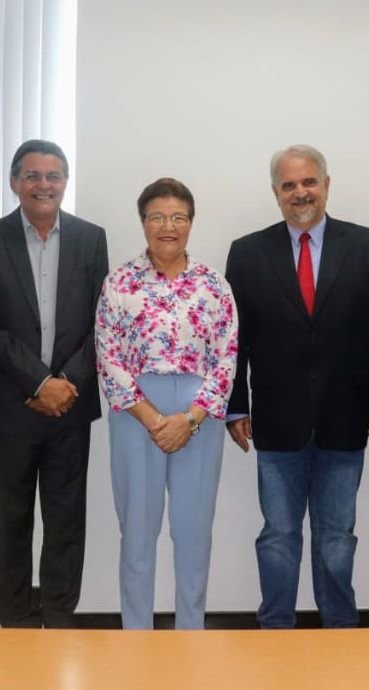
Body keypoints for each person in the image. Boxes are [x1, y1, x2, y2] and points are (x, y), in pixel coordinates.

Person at [225, 145, 369, 628]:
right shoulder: (247, 252)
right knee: (278, 536)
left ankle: (340, 629)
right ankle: (275, 627)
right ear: (276, 193)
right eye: (289, 185)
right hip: (276, 421)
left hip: (345, 418)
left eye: (309, 182)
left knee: (337, 537)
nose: (300, 193)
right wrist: (234, 406)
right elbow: (232, 340)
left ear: (327, 184)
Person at [0, 139, 109, 628]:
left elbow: (102, 322)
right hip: (13, 407)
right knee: (11, 522)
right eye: (32, 175)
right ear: (14, 183)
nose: (43, 185)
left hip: (71, 405)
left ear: (65, 183)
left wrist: (65, 382)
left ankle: (59, 616)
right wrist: (39, 382)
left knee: (66, 521)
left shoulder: (92, 239)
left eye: (53, 176)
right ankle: (17, 621)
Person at [95, 178, 238, 629]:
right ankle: (136, 635)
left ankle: (189, 635)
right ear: (143, 223)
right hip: (137, 412)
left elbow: (227, 358)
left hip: (198, 413)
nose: (168, 226)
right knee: (137, 531)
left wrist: (191, 418)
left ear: (191, 223)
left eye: (178, 217)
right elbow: (108, 354)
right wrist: (153, 417)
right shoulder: (119, 281)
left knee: (193, 534)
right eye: (157, 217)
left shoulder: (214, 285)